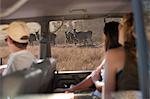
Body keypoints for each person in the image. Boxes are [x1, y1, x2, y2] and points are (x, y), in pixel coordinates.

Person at [55, 21, 121, 95]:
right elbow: (93, 75)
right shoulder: (109, 56)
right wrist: (71, 89)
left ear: (108, 36)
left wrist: (96, 81)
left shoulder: (113, 55)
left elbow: (106, 88)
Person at [93, 13, 139, 99]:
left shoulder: (114, 54)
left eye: (121, 26)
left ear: (127, 31)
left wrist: (95, 81)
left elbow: (108, 96)